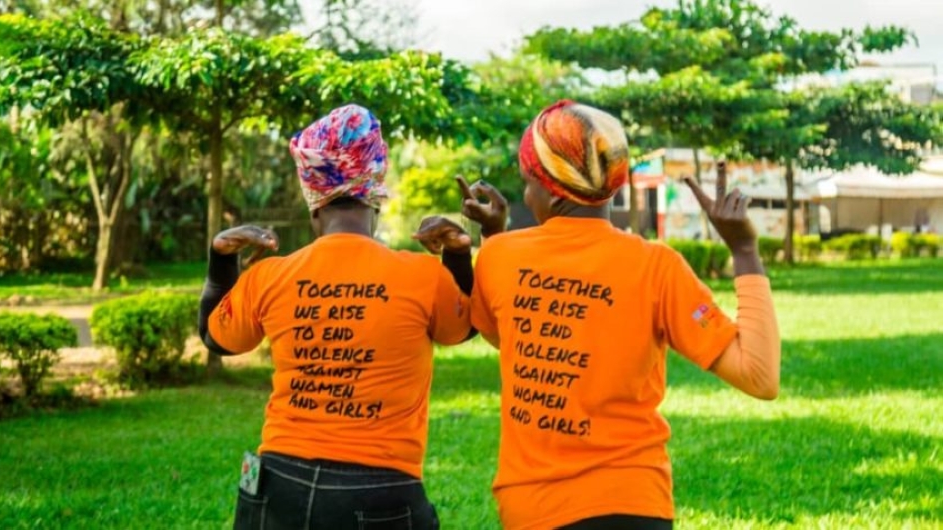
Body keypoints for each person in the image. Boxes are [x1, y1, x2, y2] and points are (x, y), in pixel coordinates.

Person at [460, 100, 781, 530]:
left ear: (551, 189)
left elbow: (507, 335)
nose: (526, 195)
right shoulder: (658, 267)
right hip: (636, 505)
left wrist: (493, 237)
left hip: (536, 510)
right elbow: (759, 376)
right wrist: (744, 250)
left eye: (527, 182)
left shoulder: (500, 255)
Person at [198, 104, 475, 530]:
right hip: (380, 492)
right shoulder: (423, 276)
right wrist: (456, 256)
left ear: (314, 203)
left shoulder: (269, 276)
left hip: (276, 485)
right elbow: (464, 326)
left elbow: (215, 337)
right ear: (375, 199)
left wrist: (220, 261)